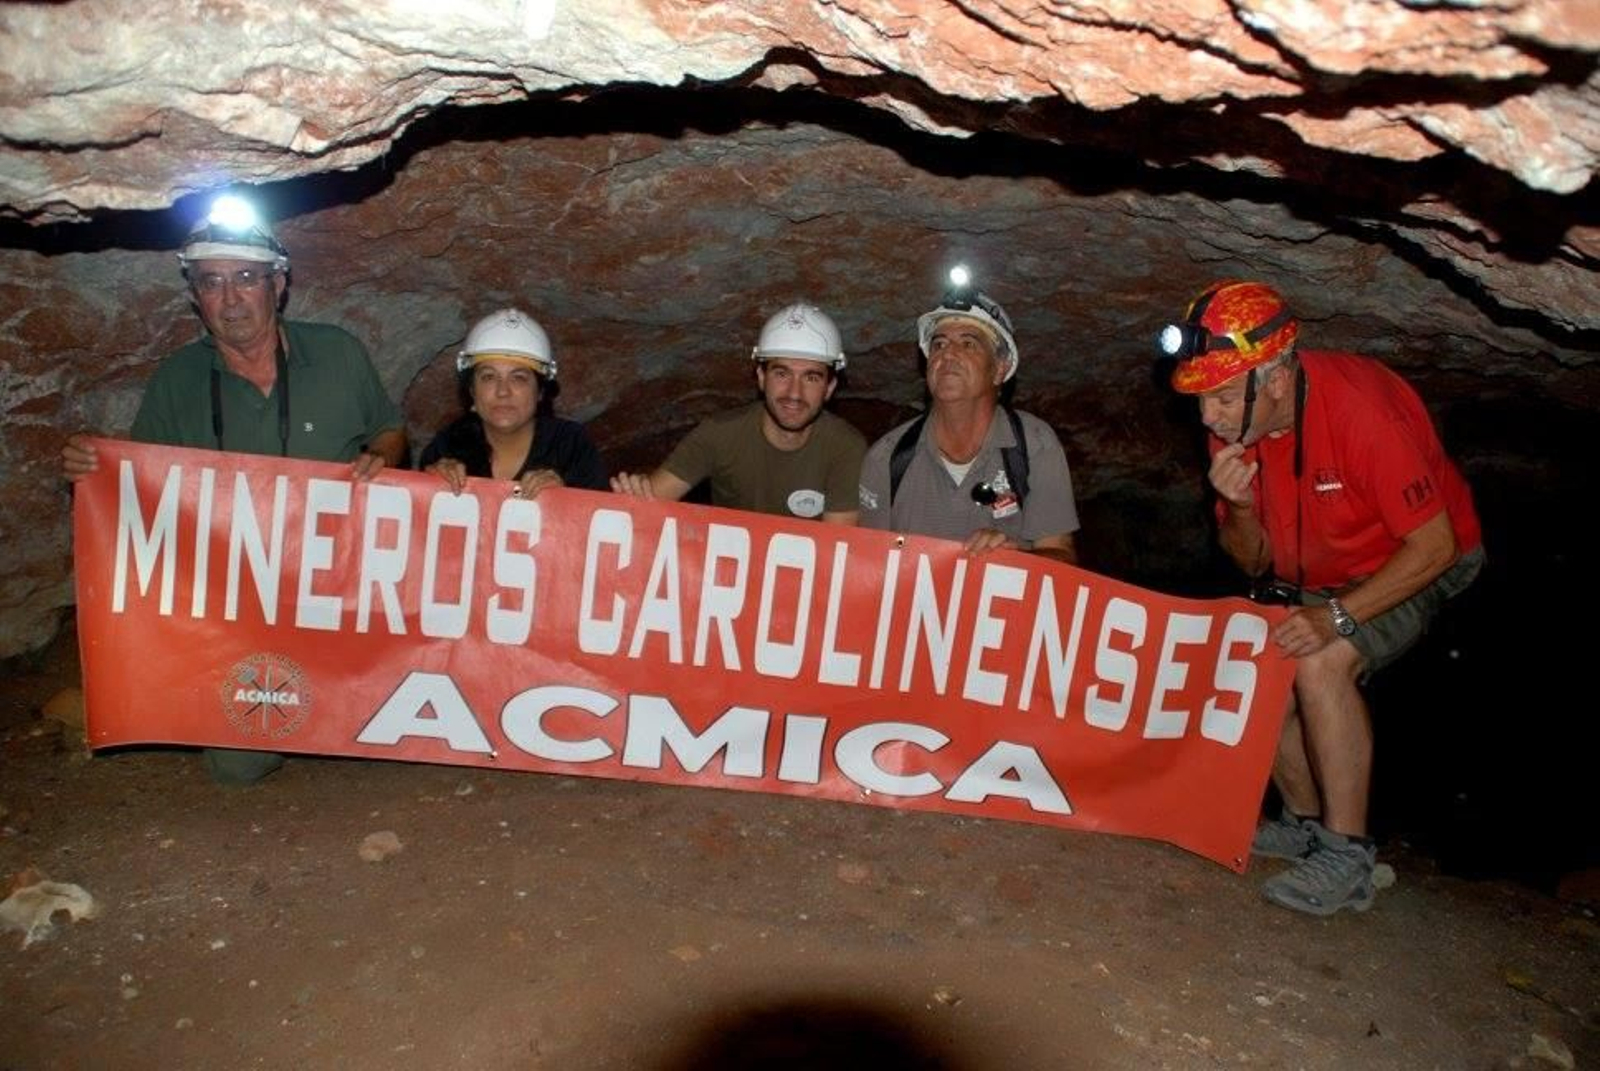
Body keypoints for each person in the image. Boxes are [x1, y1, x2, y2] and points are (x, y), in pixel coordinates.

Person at [1160, 279, 1484, 916]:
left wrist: (1338, 617)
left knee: (1319, 659)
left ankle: (1349, 854)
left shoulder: (1363, 413)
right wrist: (1243, 506)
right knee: (1263, 656)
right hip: (1328, 567)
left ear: (1275, 377)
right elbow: (1253, 561)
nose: (1208, 417)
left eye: (1223, 396)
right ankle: (1306, 825)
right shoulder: (1233, 432)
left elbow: (1436, 546)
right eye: (1201, 397)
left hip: (1418, 558)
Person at [62, 193, 407, 786]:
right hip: (240, 600)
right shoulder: (178, 379)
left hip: (337, 588)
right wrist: (94, 468)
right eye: (212, 282)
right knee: (238, 765)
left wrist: (382, 456)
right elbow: (145, 486)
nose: (230, 297)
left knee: (387, 724)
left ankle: (338, 696)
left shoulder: (339, 353)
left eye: (247, 278)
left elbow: (391, 428)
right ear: (195, 294)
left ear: (279, 284)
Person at [857, 267, 1080, 560]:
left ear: (1000, 368)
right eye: (939, 344)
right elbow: (870, 562)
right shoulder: (887, 458)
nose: (947, 354)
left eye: (968, 343)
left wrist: (1010, 558)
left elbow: (1063, 558)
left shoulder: (1034, 445)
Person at [609, 303, 865, 524]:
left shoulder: (845, 448)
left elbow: (837, 554)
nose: (794, 393)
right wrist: (634, 497)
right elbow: (646, 503)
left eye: (811, 377)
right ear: (761, 377)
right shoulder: (719, 434)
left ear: (829, 387)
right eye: (781, 373)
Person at [421, 308, 607, 498]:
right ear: (472, 391)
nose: (503, 391)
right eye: (488, 377)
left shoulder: (571, 447)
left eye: (518, 378)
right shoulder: (448, 446)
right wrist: (428, 486)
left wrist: (565, 496)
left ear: (540, 391)